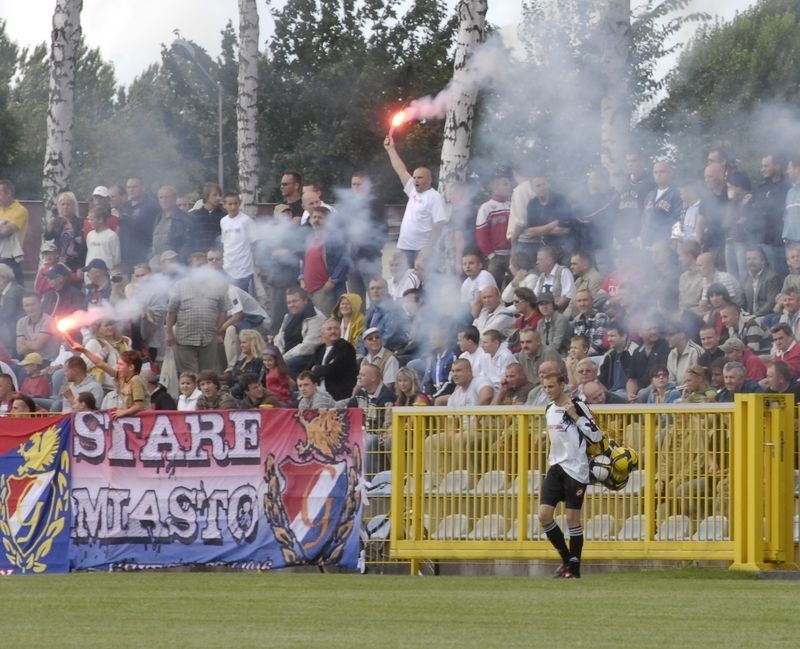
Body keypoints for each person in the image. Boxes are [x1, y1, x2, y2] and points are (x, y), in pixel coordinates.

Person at [539, 371, 604, 579]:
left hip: (576, 468)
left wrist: (576, 417)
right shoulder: (549, 409)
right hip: (556, 466)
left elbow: (596, 435)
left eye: (551, 387)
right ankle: (567, 560)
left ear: (562, 385)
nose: (548, 391)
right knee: (544, 515)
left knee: (572, 519)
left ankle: (574, 569)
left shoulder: (578, 406)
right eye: (545, 387)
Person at [383, 136, 447, 266]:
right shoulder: (412, 190)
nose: (415, 180)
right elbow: (400, 170)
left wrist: (427, 249)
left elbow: (438, 225)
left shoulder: (434, 197)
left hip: (421, 250)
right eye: (414, 177)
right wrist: (391, 149)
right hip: (404, 248)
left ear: (429, 180)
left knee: (421, 284)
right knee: (406, 283)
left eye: (420, 177)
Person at [166, 265, 229, 375]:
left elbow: (223, 310)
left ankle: (203, 392)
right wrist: (169, 332)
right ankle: (191, 392)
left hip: (208, 337)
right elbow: (171, 311)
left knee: (206, 374)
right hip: (185, 337)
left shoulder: (218, 286)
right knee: (190, 375)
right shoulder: (179, 286)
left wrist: (217, 328)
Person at [301, 205, 350, 315]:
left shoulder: (334, 238)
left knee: (327, 323)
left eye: (320, 218)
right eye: (314, 217)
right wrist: (301, 278)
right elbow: (305, 261)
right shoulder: (309, 238)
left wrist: (332, 281)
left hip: (324, 291)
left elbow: (345, 260)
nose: (316, 220)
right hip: (309, 290)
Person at [348, 363, 395, 476]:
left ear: (373, 378)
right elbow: (350, 415)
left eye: (363, 375)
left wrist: (364, 431)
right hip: (361, 432)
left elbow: (386, 424)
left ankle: (371, 481)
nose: (359, 377)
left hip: (378, 435)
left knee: (368, 441)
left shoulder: (386, 396)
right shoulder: (359, 393)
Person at [274, 287, 327, 376]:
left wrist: (284, 358)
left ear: (305, 300)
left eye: (295, 301)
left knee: (288, 365)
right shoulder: (288, 317)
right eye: (289, 302)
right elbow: (279, 338)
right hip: (287, 355)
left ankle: (296, 389)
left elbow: (309, 346)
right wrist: (277, 356)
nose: (291, 305)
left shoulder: (316, 317)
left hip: (308, 356)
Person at [475, 170, 512, 287]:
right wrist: (491, 255)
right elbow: (481, 235)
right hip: (495, 256)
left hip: (512, 254)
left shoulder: (512, 205)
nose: (509, 187)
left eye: (509, 184)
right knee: (492, 287)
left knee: (513, 287)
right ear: (496, 186)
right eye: (505, 184)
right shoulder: (486, 207)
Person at [308, 318, 358, 401]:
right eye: (329, 329)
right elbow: (308, 370)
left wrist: (316, 368)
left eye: (336, 328)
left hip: (336, 395)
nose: (333, 331)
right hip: (317, 393)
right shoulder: (319, 349)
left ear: (340, 331)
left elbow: (333, 369)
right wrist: (325, 368)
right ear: (322, 333)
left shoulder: (345, 347)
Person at [220, 191, 256, 293]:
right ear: (224, 205)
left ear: (239, 203)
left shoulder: (246, 221)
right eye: (230, 204)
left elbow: (254, 243)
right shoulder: (223, 221)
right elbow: (225, 243)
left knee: (242, 298)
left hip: (244, 269)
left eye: (235, 203)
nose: (233, 207)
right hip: (228, 267)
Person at [119, 176, 159, 268]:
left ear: (143, 188)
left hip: (143, 256)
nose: (131, 190)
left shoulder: (153, 206)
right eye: (129, 187)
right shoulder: (125, 206)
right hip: (125, 256)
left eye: (134, 187)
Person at [0, 179, 29, 284]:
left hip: (11, 259)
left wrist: (3, 228)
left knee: (15, 291)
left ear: (9, 194)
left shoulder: (20, 210)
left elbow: (6, 231)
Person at [150, 185, 190, 260]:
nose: (163, 200)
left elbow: (188, 243)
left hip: (173, 261)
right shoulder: (158, 218)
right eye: (161, 197)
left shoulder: (184, 219)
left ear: (174, 199)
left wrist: (179, 260)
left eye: (166, 197)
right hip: (156, 260)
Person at [189, 182, 225, 254]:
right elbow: (191, 238)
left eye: (220, 195)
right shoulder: (195, 216)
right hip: (200, 256)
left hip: (217, 257)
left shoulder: (223, 216)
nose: (218, 198)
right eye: (215, 195)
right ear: (206, 196)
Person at [85, 207, 121, 271]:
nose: (89, 222)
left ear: (100, 220)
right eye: (89, 219)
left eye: (92, 220)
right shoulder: (90, 235)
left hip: (106, 273)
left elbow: (116, 258)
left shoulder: (112, 236)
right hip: (91, 273)